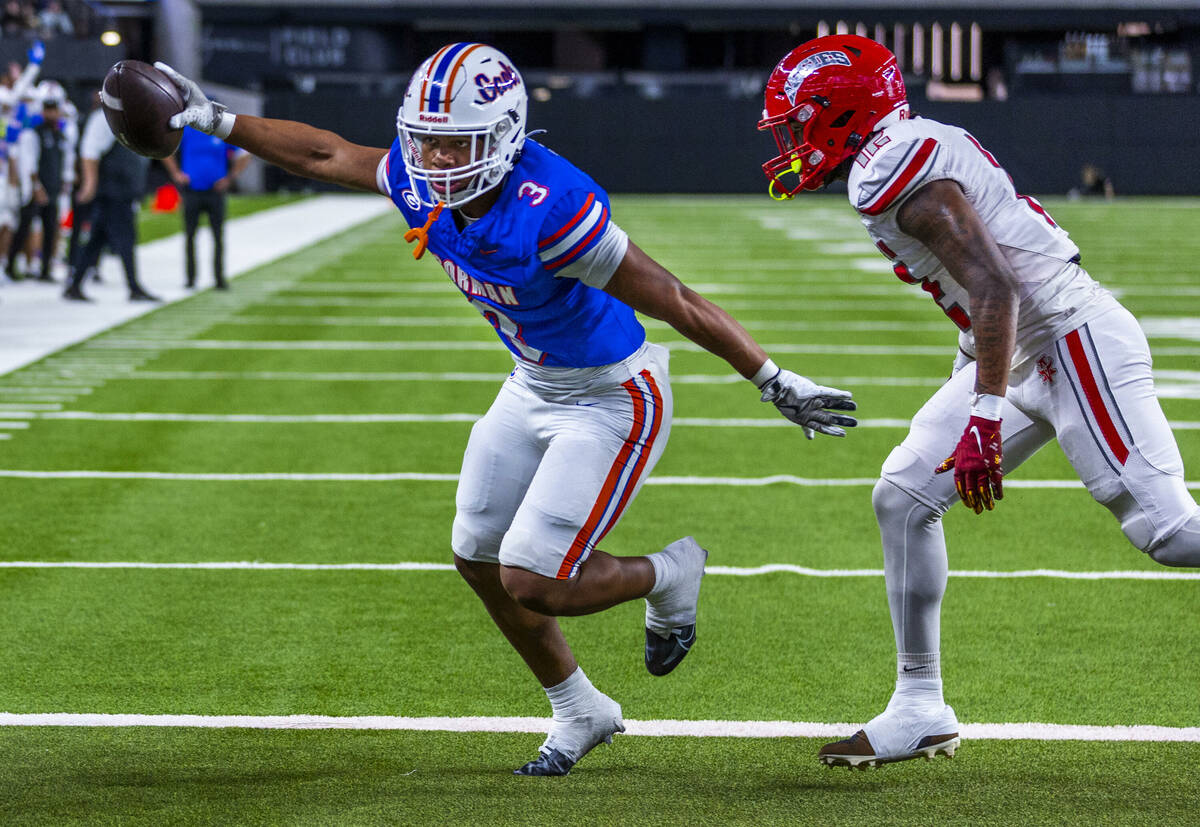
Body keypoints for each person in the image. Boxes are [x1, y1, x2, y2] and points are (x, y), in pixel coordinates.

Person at [153, 44, 858, 776]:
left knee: (534, 579)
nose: (433, 157)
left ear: (504, 136)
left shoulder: (551, 210)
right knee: (476, 555)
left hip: (613, 393)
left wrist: (773, 379)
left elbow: (674, 298)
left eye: (454, 141)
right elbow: (327, 152)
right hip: (531, 383)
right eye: (424, 138)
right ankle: (579, 706)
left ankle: (670, 572)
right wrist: (213, 117)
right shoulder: (422, 181)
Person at [755, 35, 1200, 769]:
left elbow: (998, 286)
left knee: (1170, 532)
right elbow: (984, 291)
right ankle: (919, 705)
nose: (793, 141)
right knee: (902, 495)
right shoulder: (897, 149)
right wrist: (977, 371)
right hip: (1019, 347)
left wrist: (983, 419)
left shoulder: (892, 166)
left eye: (802, 122)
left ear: (843, 113)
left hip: (1066, 338)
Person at [62, 93, 157, 301]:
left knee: (96, 240)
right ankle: (133, 287)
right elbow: (90, 152)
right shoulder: (104, 119)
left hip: (120, 189)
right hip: (113, 191)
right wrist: (90, 185)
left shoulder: (123, 118)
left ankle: (75, 285)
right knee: (125, 238)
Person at [161, 126, 250, 289]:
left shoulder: (220, 132)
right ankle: (190, 278)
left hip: (215, 192)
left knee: (218, 237)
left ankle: (219, 278)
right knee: (190, 236)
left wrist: (231, 178)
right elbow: (164, 149)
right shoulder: (187, 131)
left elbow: (244, 153)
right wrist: (175, 173)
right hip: (192, 191)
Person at [7, 87, 72, 281]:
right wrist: (36, 187)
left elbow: (63, 162)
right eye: (47, 109)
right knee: (24, 228)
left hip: (53, 189)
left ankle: (45, 270)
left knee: (51, 229)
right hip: (35, 191)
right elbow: (29, 163)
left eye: (53, 109)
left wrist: (63, 182)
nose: (51, 113)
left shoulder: (60, 135)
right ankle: (10, 266)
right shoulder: (33, 133)